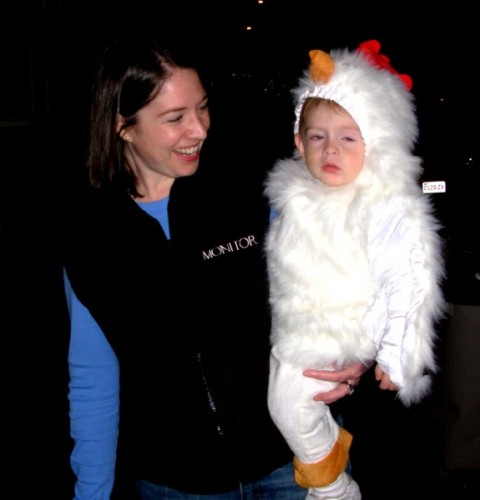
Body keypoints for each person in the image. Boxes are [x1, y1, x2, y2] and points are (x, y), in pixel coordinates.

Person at [61, 35, 368, 499]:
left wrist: (356, 348)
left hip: (295, 460)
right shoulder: (91, 238)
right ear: (123, 126)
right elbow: (93, 381)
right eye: (175, 118)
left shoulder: (249, 190)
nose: (199, 129)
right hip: (178, 483)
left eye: (202, 108)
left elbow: (338, 272)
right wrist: (92, 493)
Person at [264, 40, 446, 500]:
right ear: (298, 141)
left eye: (348, 138)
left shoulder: (382, 205)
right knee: (291, 408)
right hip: (296, 328)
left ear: (375, 145)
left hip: (338, 333)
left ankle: (333, 487)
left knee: (287, 405)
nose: (331, 149)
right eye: (317, 137)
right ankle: (329, 459)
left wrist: (396, 352)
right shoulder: (294, 196)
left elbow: (408, 277)